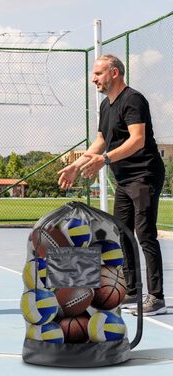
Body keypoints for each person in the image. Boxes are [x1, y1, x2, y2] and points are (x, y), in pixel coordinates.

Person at [58, 54, 166, 316]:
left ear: (114, 73)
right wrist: (76, 164)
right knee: (122, 233)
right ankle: (132, 290)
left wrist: (104, 160)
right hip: (124, 178)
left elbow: (137, 140)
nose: (93, 79)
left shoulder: (133, 100)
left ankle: (156, 297)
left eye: (98, 74)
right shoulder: (106, 106)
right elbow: (100, 141)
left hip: (144, 175)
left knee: (145, 234)